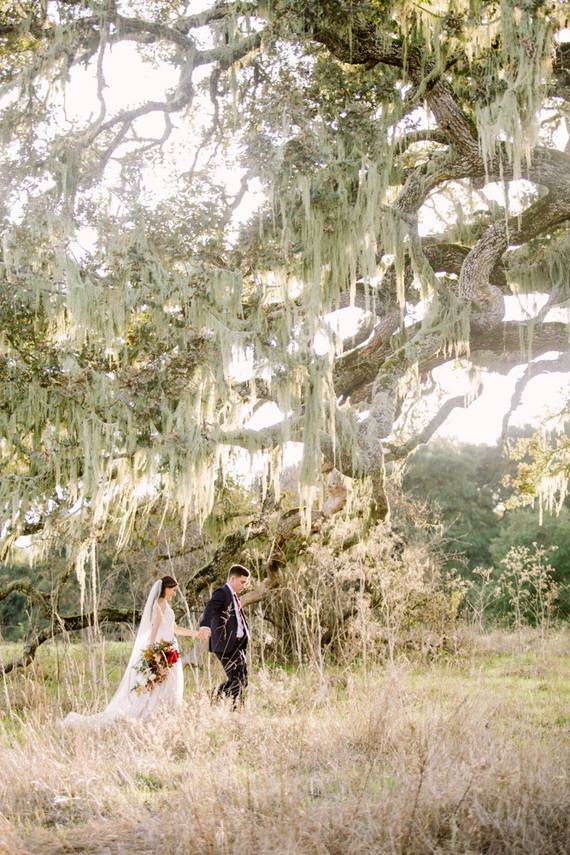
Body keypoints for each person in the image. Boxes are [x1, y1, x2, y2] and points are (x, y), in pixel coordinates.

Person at [62, 575, 207, 728]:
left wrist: (195, 633)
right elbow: (155, 629)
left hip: (169, 649)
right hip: (164, 650)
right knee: (164, 685)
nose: (175, 594)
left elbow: (174, 629)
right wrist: (153, 655)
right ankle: (157, 717)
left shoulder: (165, 605)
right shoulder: (161, 604)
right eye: (173, 590)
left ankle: (163, 717)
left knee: (166, 685)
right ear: (165, 588)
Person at [199, 564, 250, 709]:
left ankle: (211, 697)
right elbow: (210, 607)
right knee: (237, 679)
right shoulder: (222, 592)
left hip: (237, 644)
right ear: (232, 578)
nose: (244, 586)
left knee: (243, 679)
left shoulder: (234, 596)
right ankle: (236, 711)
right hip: (225, 644)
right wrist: (205, 625)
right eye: (242, 582)